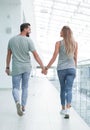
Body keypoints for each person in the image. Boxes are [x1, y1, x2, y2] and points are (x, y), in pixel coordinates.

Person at [5, 23, 45, 116]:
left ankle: (17, 102)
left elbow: (8, 55)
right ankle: (23, 107)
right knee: (25, 87)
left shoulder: (11, 40)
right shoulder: (28, 41)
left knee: (15, 87)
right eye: (29, 29)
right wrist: (42, 66)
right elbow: (36, 55)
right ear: (24, 29)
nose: (30, 30)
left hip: (16, 67)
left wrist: (7, 67)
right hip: (26, 67)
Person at [42, 26, 78, 119]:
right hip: (71, 69)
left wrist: (47, 67)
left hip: (61, 69)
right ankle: (68, 109)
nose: (60, 33)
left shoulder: (58, 43)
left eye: (61, 31)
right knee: (69, 89)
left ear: (64, 33)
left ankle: (63, 109)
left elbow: (54, 57)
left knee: (63, 89)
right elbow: (75, 58)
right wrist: (75, 68)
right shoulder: (75, 43)